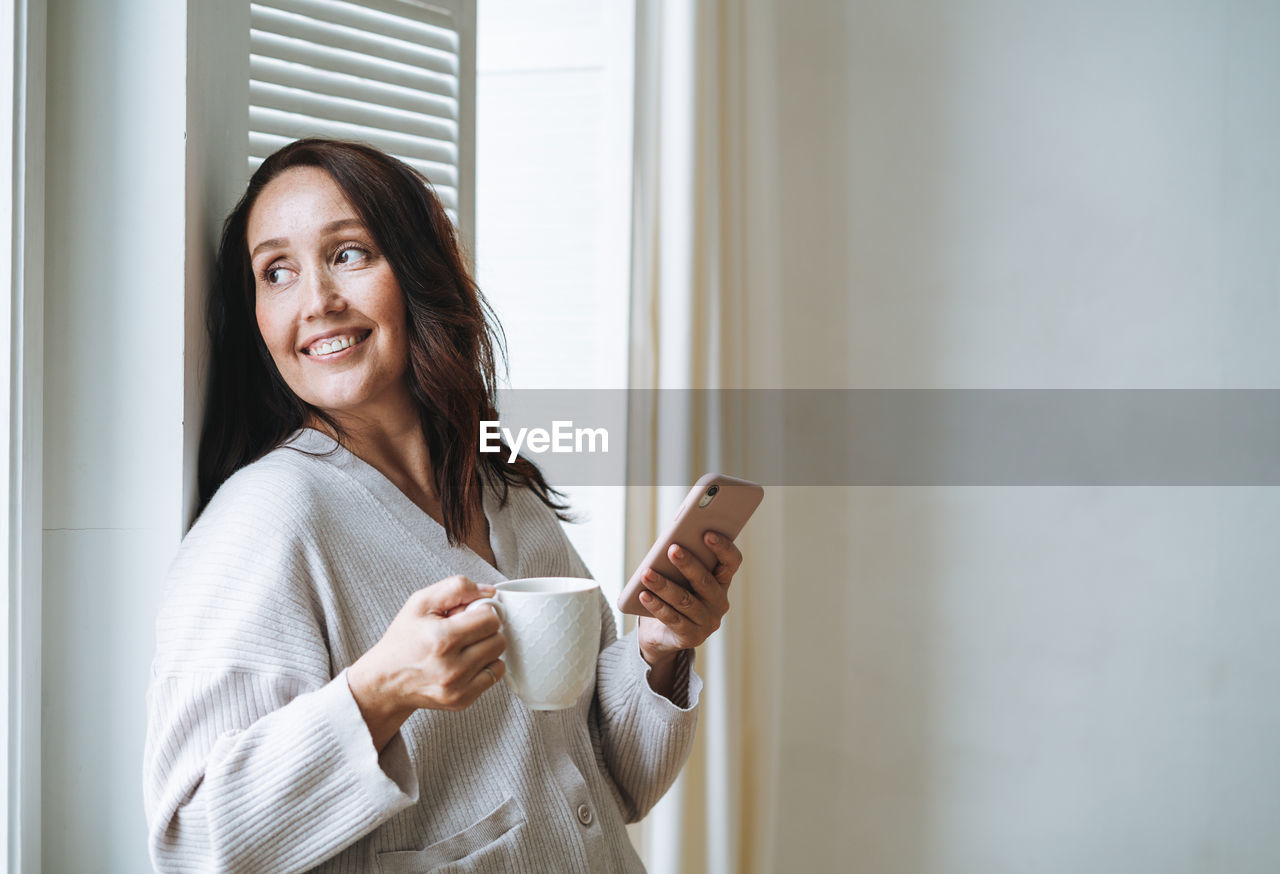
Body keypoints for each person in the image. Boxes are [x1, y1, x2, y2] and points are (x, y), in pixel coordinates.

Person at [142, 138, 743, 873]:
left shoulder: (505, 493)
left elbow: (606, 786)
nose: (318, 302)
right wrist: (379, 692)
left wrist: (656, 649)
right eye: (277, 272)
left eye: (349, 254)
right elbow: (195, 842)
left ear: (417, 272)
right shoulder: (268, 520)